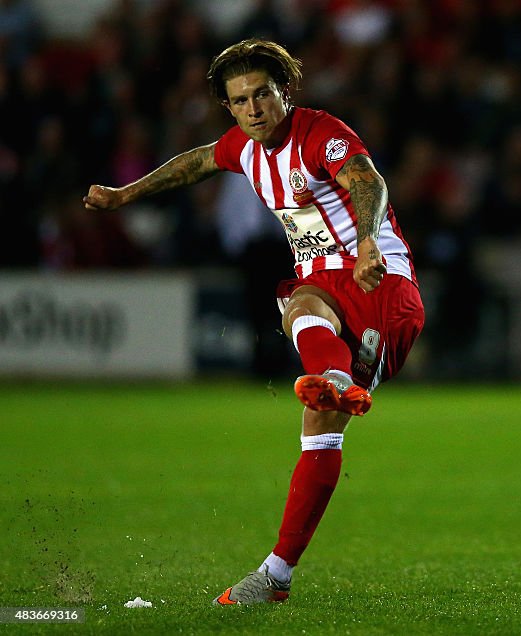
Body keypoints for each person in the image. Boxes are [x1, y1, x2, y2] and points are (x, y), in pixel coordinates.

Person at [83, 39, 424, 605]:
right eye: (240, 101)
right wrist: (125, 195)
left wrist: (367, 243)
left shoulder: (319, 132)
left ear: (283, 92)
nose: (253, 109)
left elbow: (366, 180)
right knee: (313, 392)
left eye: (262, 94)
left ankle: (336, 378)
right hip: (322, 288)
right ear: (229, 108)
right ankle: (276, 575)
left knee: (302, 313)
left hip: (378, 284)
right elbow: (194, 162)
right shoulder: (244, 147)